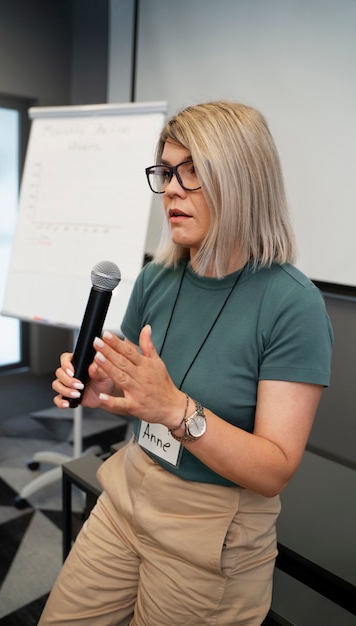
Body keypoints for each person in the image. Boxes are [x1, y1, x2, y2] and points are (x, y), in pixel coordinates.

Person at [39, 101, 333, 626]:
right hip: (131, 489)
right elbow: (130, 394)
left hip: (212, 530)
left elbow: (274, 470)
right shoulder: (159, 277)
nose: (171, 189)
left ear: (242, 181)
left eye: (192, 173)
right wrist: (95, 388)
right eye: (167, 172)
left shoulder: (292, 303)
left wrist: (176, 410)